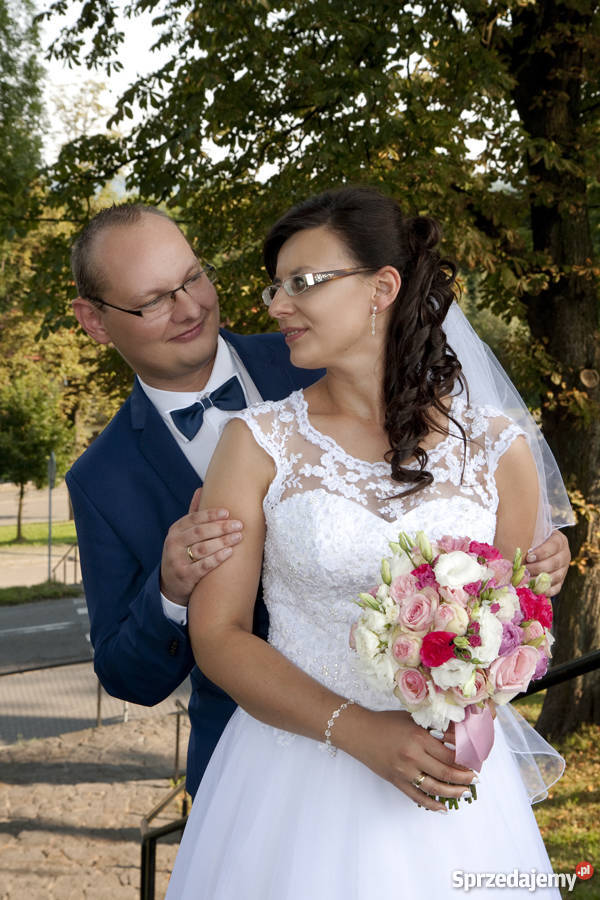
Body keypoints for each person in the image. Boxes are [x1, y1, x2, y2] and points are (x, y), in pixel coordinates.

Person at [67, 203, 569, 801]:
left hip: (440, 750)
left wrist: (529, 573)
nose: (191, 307)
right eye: (153, 301)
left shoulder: (319, 344)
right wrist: (171, 591)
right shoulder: (103, 479)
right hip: (268, 765)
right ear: (95, 322)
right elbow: (129, 674)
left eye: (194, 277)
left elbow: (497, 565)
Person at [166, 186, 571, 898]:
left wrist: (463, 745)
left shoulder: (500, 448)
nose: (276, 305)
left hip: (451, 782)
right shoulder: (258, 444)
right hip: (292, 779)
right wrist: (357, 731)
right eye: (275, 285)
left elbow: (509, 639)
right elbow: (219, 635)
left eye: (304, 283)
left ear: (383, 287)